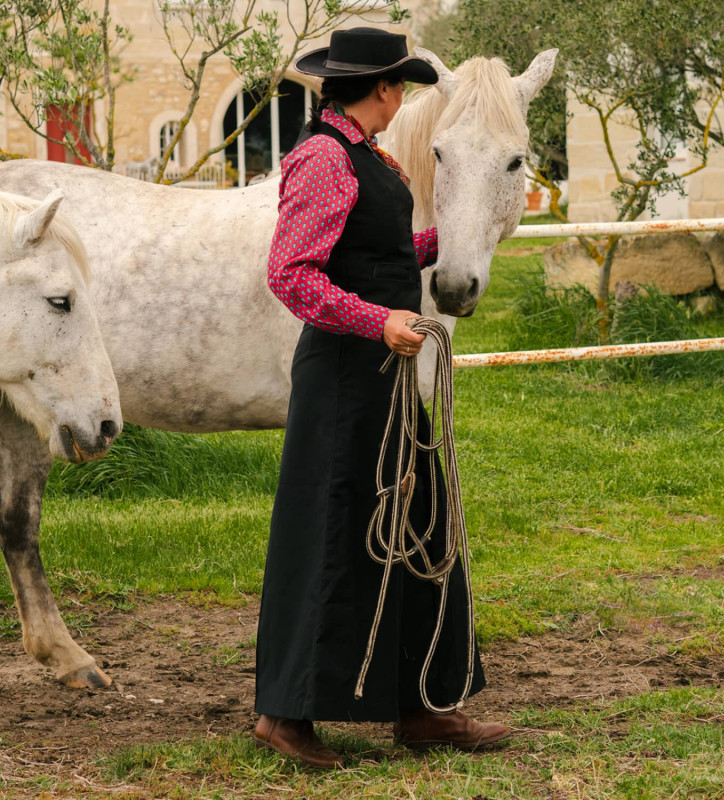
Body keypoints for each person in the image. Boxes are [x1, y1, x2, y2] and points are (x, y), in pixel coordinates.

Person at [254, 27, 510, 769]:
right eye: (399, 84)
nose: (402, 97)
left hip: (384, 379)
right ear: (383, 90)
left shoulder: (367, 155)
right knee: (335, 533)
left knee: (418, 521)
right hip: (343, 378)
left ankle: (422, 705)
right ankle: (285, 715)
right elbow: (291, 274)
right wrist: (379, 321)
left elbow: (375, 251)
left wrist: (455, 242)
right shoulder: (323, 159)